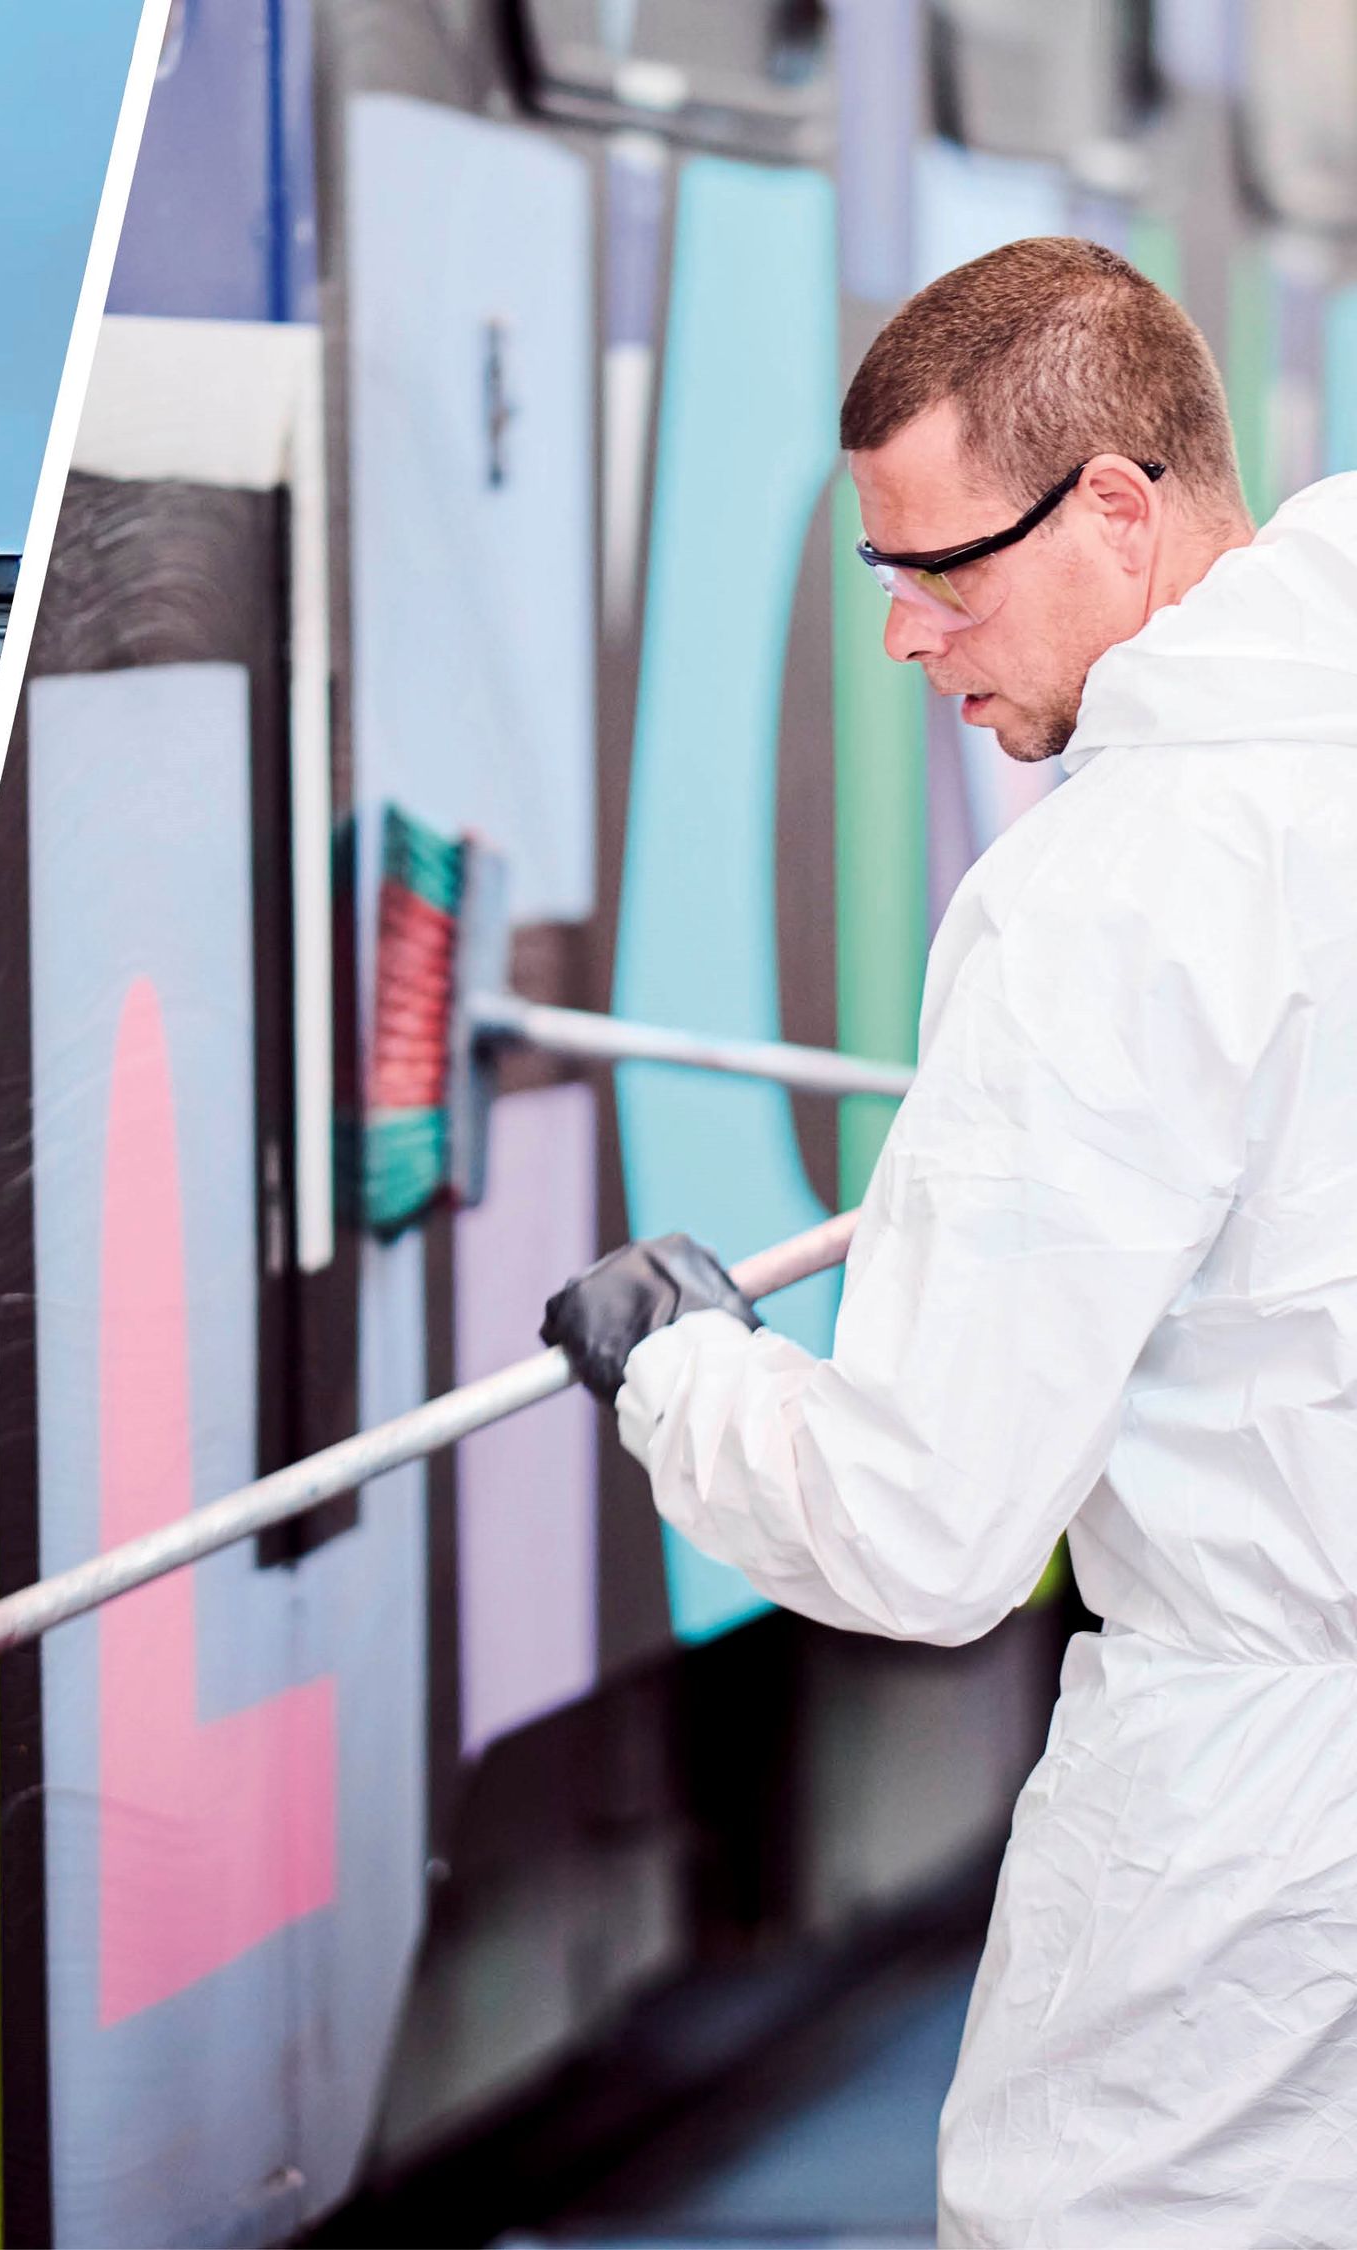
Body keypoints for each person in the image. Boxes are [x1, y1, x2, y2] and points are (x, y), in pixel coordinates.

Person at [542, 234, 1357, 2244]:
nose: (903, 637)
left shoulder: (1100, 898)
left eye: (941, 569)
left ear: (1111, 505)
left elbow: (923, 1532)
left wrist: (675, 1368)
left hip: (1263, 1845)